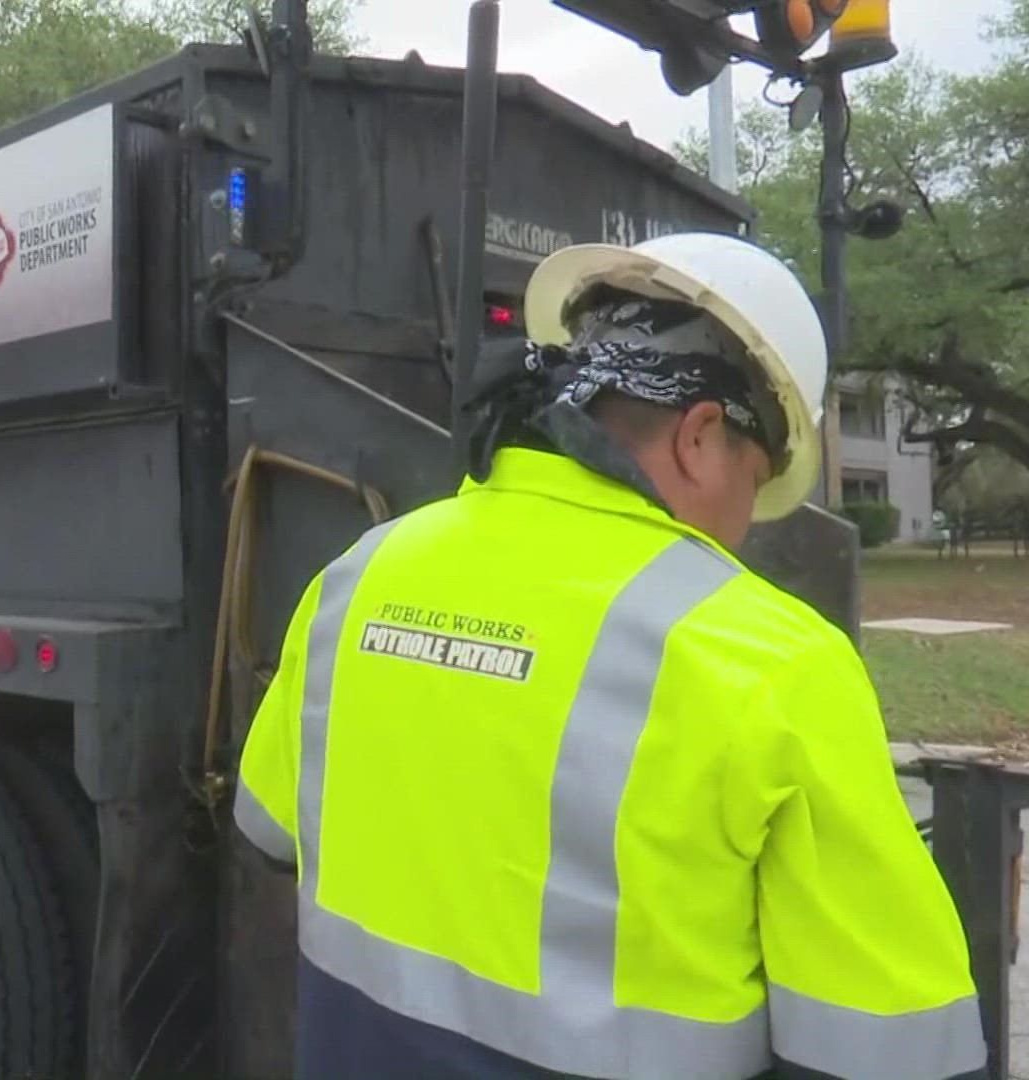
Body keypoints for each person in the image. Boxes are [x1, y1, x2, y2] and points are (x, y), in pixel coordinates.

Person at [234, 232, 985, 1080]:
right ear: (703, 436)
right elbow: (893, 1052)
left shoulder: (362, 573)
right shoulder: (772, 662)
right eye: (758, 478)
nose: (749, 521)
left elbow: (268, 831)